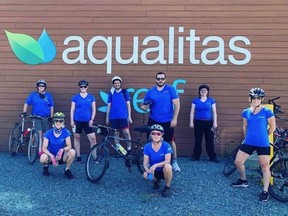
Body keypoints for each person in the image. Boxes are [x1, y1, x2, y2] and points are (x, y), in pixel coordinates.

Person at [231, 88, 276, 202]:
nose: (256, 100)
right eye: (254, 98)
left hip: (262, 143)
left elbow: (273, 127)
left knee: (265, 167)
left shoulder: (267, 111)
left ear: (262, 99)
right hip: (249, 141)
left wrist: (264, 136)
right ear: (250, 98)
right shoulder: (246, 112)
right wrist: (247, 136)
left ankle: (265, 191)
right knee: (238, 162)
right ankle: (243, 180)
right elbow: (245, 127)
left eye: (258, 98)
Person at [141, 72, 181, 172]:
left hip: (167, 120)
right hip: (153, 120)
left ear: (165, 80)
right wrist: (143, 107)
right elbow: (143, 105)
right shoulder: (151, 91)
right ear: (156, 79)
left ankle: (174, 162)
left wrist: (175, 118)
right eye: (158, 78)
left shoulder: (170, 89)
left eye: (162, 78)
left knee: (171, 141)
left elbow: (177, 104)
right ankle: (150, 162)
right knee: (151, 140)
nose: (160, 80)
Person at [40, 112, 76, 179]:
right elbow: (44, 148)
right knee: (43, 158)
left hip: (61, 156)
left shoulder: (66, 132)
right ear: (54, 122)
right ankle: (45, 168)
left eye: (60, 121)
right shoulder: (48, 133)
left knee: (72, 152)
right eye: (56, 121)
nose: (58, 123)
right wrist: (51, 156)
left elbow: (69, 145)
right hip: (51, 156)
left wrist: (62, 150)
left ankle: (67, 170)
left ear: (63, 122)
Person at [22, 79, 54, 154]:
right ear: (37, 87)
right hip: (36, 117)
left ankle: (44, 149)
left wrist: (51, 117)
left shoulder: (48, 95)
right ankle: (40, 151)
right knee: (39, 132)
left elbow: (51, 106)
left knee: (45, 134)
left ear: (45, 87)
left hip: (45, 117)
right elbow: (26, 103)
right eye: (39, 86)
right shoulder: (33, 95)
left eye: (42, 86)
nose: (41, 87)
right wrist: (24, 112)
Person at [189, 84, 219, 162]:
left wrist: (215, 122)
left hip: (208, 123)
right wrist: (191, 122)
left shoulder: (211, 100)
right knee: (198, 139)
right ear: (199, 91)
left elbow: (214, 112)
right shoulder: (195, 100)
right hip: (198, 123)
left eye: (205, 90)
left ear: (207, 92)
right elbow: (192, 112)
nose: (203, 92)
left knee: (209, 140)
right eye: (202, 90)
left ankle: (212, 157)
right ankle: (196, 156)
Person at [70, 80, 97, 163]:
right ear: (79, 87)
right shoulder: (75, 97)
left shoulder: (91, 97)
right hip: (77, 121)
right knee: (77, 138)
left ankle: (94, 157)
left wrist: (92, 119)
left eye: (85, 87)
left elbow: (94, 109)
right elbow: (72, 109)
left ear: (87, 87)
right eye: (81, 87)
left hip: (88, 121)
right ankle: (78, 157)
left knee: (93, 139)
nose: (83, 88)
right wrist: (71, 121)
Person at [143, 124, 173, 197]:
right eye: (153, 133)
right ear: (150, 134)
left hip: (163, 170)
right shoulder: (147, 147)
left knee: (168, 166)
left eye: (158, 134)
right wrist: (147, 169)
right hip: (154, 171)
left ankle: (167, 187)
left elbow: (167, 161)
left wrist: (155, 165)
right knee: (145, 175)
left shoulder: (166, 145)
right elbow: (145, 163)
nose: (156, 136)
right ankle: (156, 180)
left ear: (162, 135)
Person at [106, 76, 133, 153]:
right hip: (113, 117)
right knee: (116, 134)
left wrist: (129, 117)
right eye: (115, 83)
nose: (117, 84)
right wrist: (107, 117)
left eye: (118, 83)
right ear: (113, 84)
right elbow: (109, 105)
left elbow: (128, 105)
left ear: (120, 83)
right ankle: (119, 150)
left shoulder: (125, 92)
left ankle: (129, 149)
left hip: (123, 117)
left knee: (126, 133)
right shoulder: (111, 93)